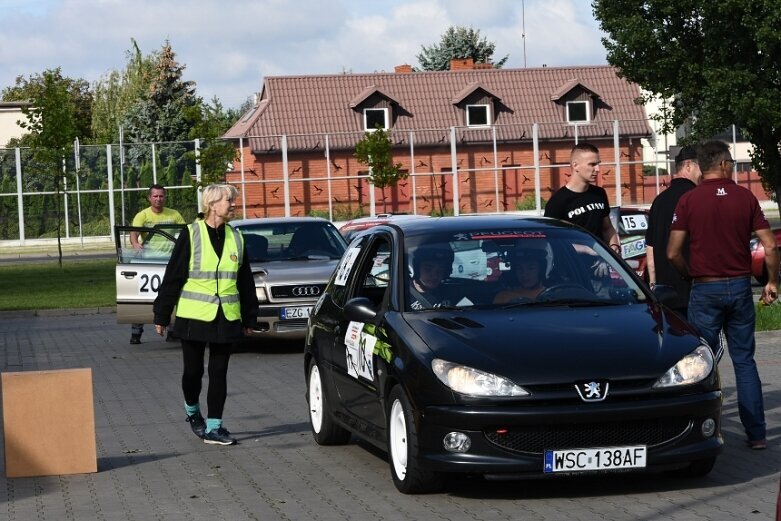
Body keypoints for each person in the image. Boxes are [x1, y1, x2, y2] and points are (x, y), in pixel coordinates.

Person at [667, 140, 778, 451]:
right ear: (726, 164)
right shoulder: (746, 197)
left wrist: (689, 272)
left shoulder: (689, 200)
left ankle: (696, 430)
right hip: (740, 286)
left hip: (705, 287)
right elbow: (770, 246)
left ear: (702, 167)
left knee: (699, 361)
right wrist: (771, 283)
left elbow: (673, 251)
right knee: (744, 361)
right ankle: (756, 434)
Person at [153, 184, 259, 446]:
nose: (234, 204)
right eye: (229, 200)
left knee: (219, 371)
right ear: (212, 204)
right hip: (194, 316)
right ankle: (192, 411)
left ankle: (214, 427)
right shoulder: (191, 234)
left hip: (226, 316)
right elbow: (173, 276)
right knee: (192, 372)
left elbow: (245, 282)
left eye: (233, 200)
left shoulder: (237, 237)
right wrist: (161, 315)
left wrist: (250, 317)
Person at [645, 145, 702, 316]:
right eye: (701, 168)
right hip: (694, 289)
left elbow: (651, 249)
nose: (703, 174)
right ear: (689, 166)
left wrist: (654, 285)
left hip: (666, 294)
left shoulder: (659, 201)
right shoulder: (697, 198)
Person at [129, 184, 185, 344]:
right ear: (149, 198)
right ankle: (136, 331)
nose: (158, 199)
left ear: (165, 197)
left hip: (170, 262)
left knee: (172, 296)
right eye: (155, 196)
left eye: (161, 196)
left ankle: (173, 331)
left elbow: (184, 232)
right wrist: (135, 244)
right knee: (143, 298)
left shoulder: (174, 214)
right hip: (149, 262)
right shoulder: (142, 215)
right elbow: (134, 232)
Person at [544, 142, 621, 252]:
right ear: (575, 165)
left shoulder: (599, 193)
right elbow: (552, 240)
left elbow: (607, 228)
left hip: (601, 264)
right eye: (592, 164)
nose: (597, 169)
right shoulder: (557, 201)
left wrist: (614, 246)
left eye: (598, 164)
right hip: (573, 266)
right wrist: (587, 250)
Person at [408, 244, 455, 310]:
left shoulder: (451, 292)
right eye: (428, 269)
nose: (435, 276)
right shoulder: (402, 294)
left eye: (441, 269)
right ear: (416, 269)